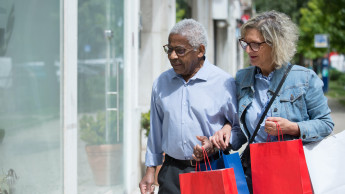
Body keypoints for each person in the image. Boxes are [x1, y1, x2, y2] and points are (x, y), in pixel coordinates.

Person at [193, 10, 334, 193]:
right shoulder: (243, 78)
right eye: (245, 43)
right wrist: (220, 140)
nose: (248, 50)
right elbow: (243, 131)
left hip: (293, 173)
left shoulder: (304, 79)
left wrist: (292, 128)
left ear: (275, 44)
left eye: (255, 44)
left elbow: (326, 124)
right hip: (255, 173)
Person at [138, 18, 240, 194]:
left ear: (200, 50)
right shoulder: (161, 83)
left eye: (180, 51)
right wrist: (150, 170)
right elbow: (155, 131)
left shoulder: (224, 82)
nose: (172, 56)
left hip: (212, 169)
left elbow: (239, 129)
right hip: (171, 173)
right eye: (169, 50)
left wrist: (215, 145)